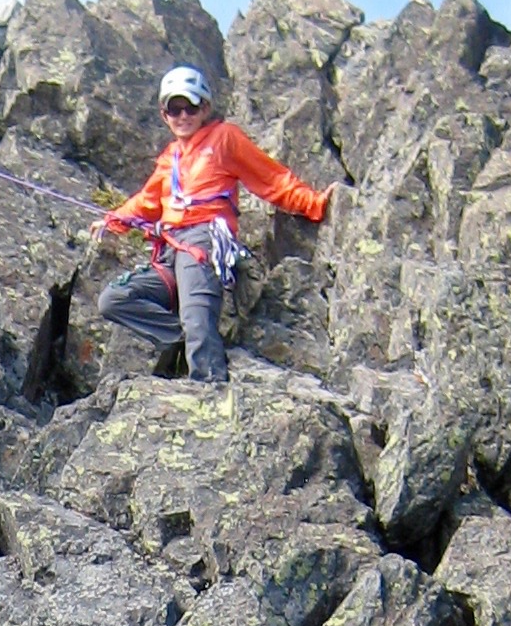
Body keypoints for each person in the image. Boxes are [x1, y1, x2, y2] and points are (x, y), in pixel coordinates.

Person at [92, 64, 333, 386]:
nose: (182, 115)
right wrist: (113, 219)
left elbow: (270, 178)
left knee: (198, 318)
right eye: (173, 109)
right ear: (164, 114)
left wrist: (312, 203)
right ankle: (180, 339)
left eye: (189, 106)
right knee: (114, 299)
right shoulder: (171, 157)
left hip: (203, 243)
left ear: (204, 107)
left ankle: (209, 388)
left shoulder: (225, 138)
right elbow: (148, 202)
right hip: (169, 251)